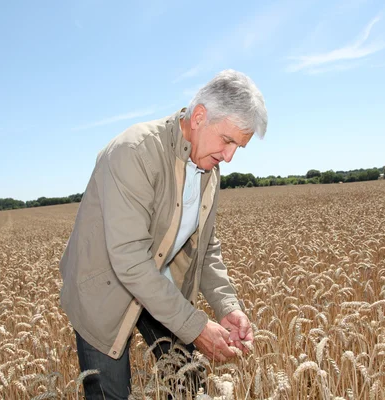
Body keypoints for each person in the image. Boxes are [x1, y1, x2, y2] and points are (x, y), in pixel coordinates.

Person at [59, 69, 268, 399]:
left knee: (189, 382)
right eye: (227, 141)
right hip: (103, 290)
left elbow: (206, 247)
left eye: (237, 148)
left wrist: (227, 305)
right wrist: (195, 326)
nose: (229, 157)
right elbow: (129, 260)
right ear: (199, 116)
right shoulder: (134, 152)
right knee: (110, 393)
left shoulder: (208, 170)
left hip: (159, 286)